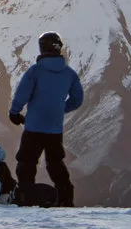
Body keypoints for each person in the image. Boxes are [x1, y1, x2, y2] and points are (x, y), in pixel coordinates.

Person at [8, 31, 84, 207]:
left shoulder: (36, 71)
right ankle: (66, 197)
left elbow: (22, 94)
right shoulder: (69, 74)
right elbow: (77, 99)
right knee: (55, 162)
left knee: (27, 162)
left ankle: (27, 195)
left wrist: (15, 112)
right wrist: (60, 109)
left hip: (33, 126)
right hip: (54, 128)